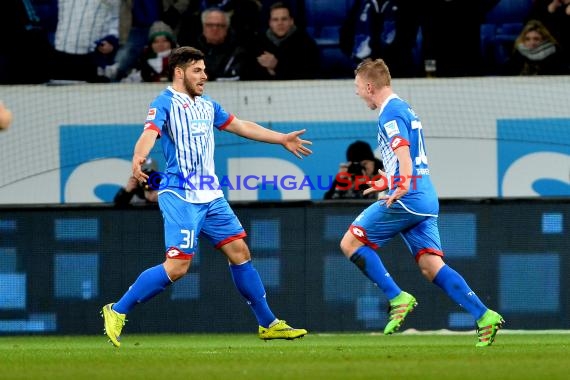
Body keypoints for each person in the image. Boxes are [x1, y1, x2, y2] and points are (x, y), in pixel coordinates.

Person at [101, 46, 311, 347]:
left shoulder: (208, 105)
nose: (204, 76)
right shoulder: (164, 102)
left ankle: (269, 324)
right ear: (179, 72)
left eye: (204, 70)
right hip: (180, 194)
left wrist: (281, 139)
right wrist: (139, 157)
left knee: (240, 251)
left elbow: (240, 126)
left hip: (211, 194)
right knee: (178, 267)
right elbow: (150, 132)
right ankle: (117, 310)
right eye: (197, 70)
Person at [340, 58, 504, 347]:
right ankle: (484, 315)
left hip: (409, 197)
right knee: (431, 266)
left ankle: (397, 297)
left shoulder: (389, 114)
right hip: (425, 197)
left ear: (369, 86)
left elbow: (403, 152)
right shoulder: (405, 108)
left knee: (350, 243)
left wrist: (400, 183)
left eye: (357, 87)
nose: (356, 93)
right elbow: (409, 156)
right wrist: (389, 180)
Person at [242, 2, 320, 80]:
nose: (280, 23)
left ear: (291, 21)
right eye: (275, 20)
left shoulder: (306, 43)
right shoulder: (257, 42)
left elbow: (310, 74)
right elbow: (248, 73)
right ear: (270, 23)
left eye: (284, 19)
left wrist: (276, 66)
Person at [187, 8, 247, 81]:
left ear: (227, 28)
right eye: (210, 25)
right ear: (203, 27)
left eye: (220, 25)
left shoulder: (238, 53)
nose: (215, 29)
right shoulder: (190, 52)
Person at [503, 20, 568, 76]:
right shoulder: (519, 53)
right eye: (527, 39)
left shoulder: (554, 53)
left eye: (536, 39)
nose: (532, 42)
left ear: (544, 39)